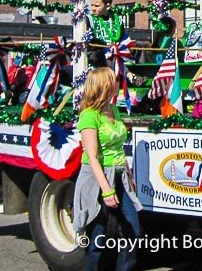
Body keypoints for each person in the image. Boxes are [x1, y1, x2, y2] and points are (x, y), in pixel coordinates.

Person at [73, 67, 141, 271]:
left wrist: (129, 174)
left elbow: (119, 147)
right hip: (97, 179)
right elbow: (92, 157)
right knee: (98, 239)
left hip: (119, 175)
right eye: (114, 80)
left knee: (132, 233)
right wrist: (107, 190)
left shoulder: (115, 110)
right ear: (104, 86)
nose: (118, 83)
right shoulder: (89, 116)